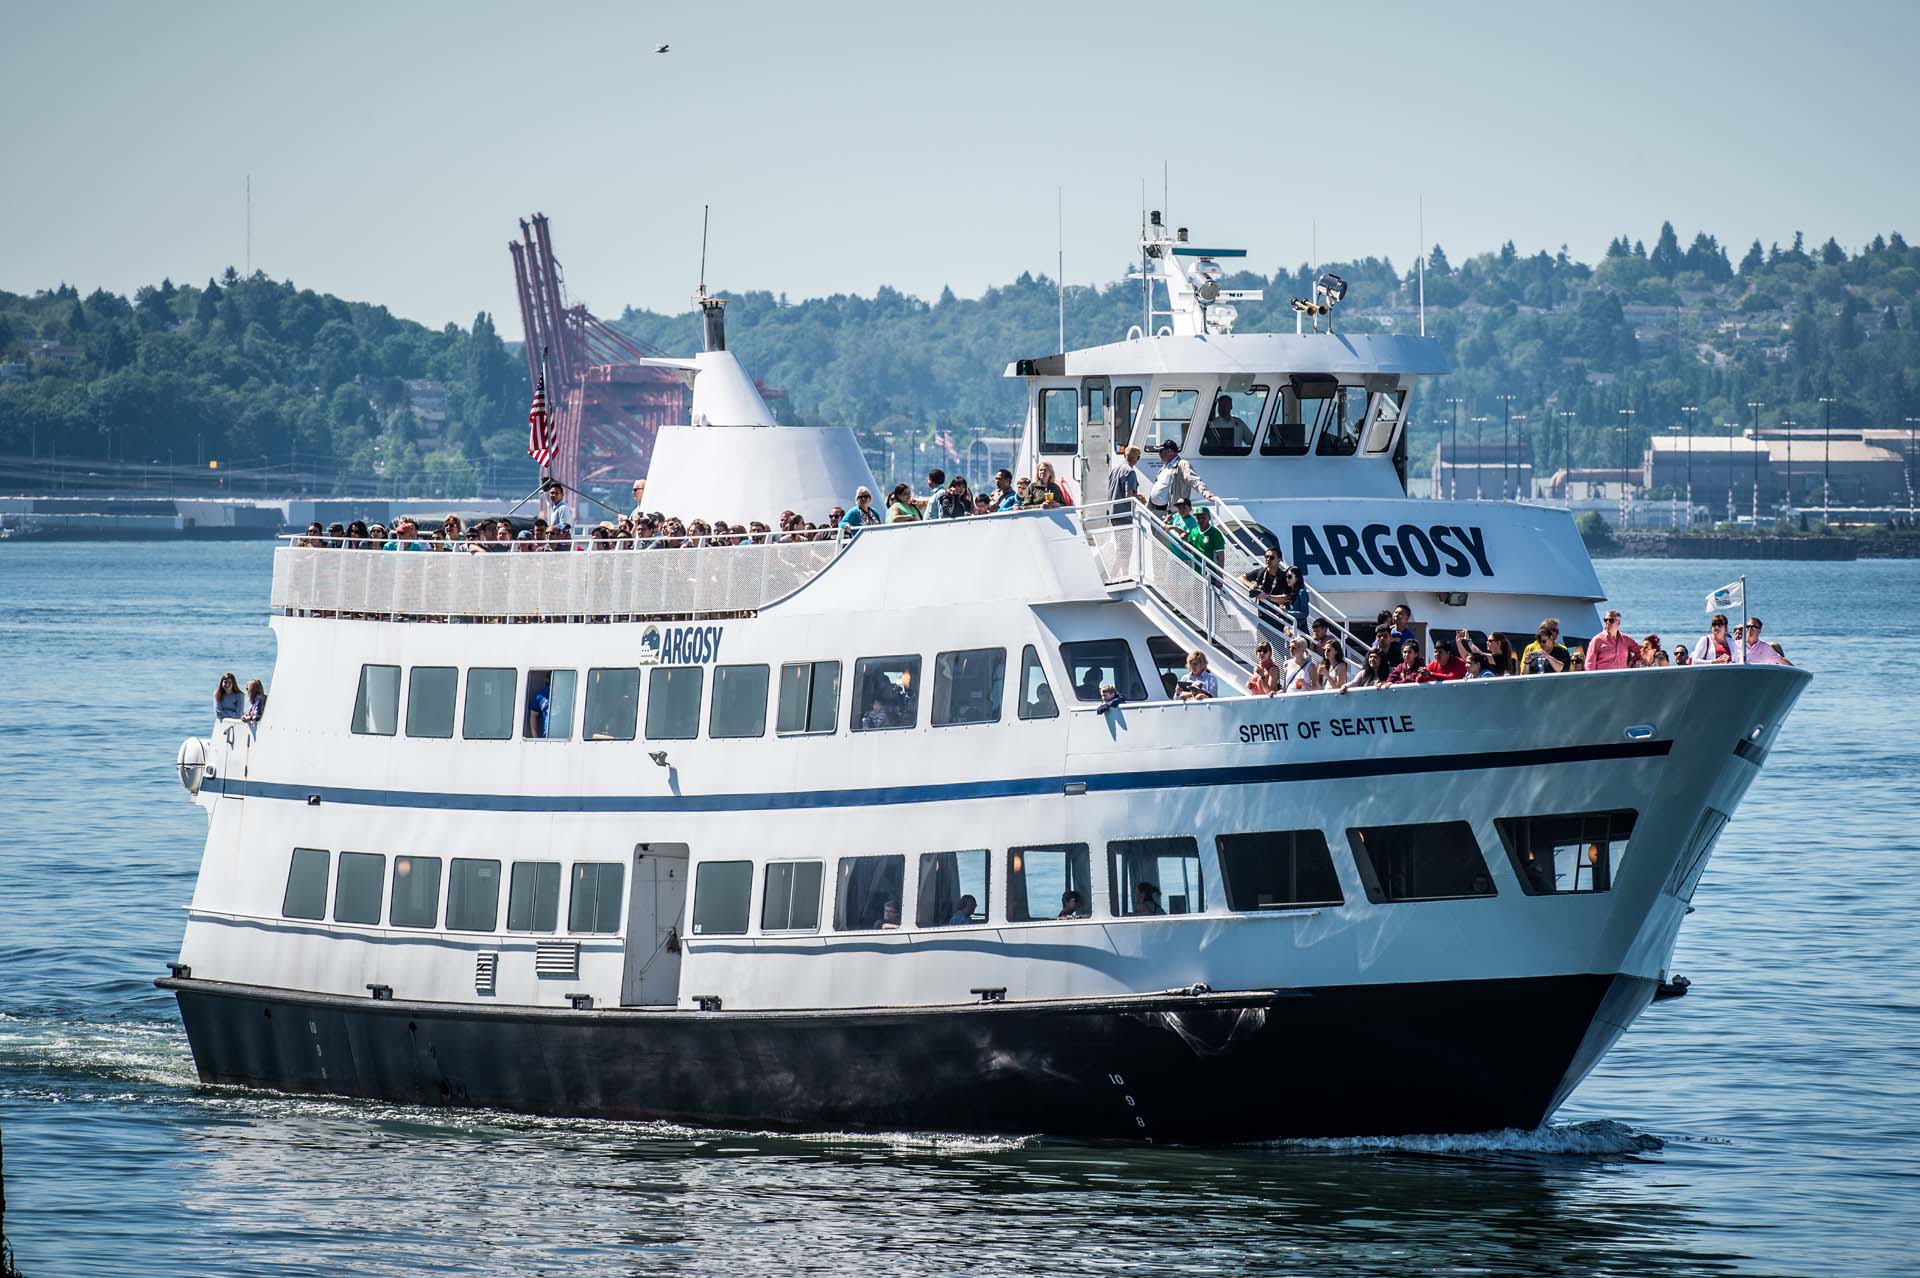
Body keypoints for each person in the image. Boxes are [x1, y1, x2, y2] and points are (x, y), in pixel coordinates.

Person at [1146, 439, 1213, 515]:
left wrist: (1205, 492)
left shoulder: (1182, 464)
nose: (1159, 454)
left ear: (1169, 451)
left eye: (1161, 451)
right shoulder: (1164, 467)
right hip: (1156, 510)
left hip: (1170, 513)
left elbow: (1194, 479)